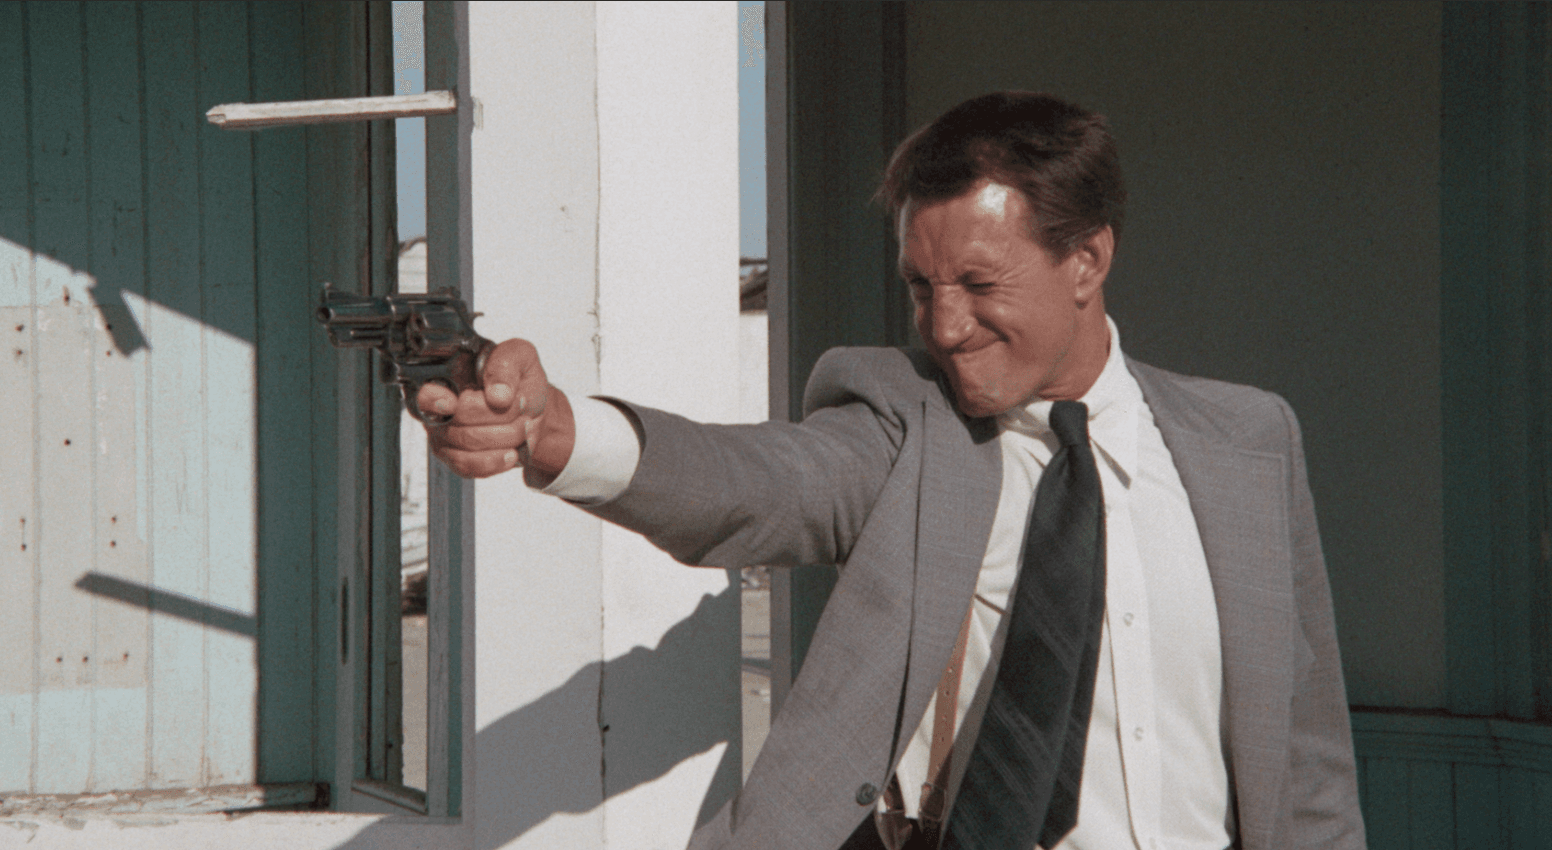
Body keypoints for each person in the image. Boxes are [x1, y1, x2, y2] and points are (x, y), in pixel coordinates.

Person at [416, 92, 1366, 850]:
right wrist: (555, 429)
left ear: (1086, 259)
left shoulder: (1248, 444)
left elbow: (1307, 757)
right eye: (920, 286)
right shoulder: (903, 423)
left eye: (979, 285)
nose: (944, 326)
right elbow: (755, 481)